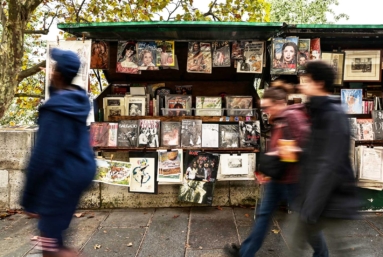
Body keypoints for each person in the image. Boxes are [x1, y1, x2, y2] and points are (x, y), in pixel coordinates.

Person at [21, 48, 96, 257]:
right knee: (54, 235)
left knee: (50, 245)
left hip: (61, 178)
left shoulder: (55, 110)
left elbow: (42, 157)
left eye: (54, 68)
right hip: (79, 170)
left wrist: (28, 199)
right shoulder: (77, 100)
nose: (50, 71)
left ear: (58, 74)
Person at [225, 83, 310, 257]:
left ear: (279, 103)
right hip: (278, 177)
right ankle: (245, 253)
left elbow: (304, 145)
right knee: (263, 215)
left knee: (306, 221)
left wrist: (284, 154)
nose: (265, 111)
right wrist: (268, 170)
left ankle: (322, 253)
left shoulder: (293, 117)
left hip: (293, 179)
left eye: (268, 106)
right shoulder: (280, 118)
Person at [291, 61, 360, 256]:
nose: (301, 85)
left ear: (319, 83)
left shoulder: (333, 115)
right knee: (300, 246)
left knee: (341, 249)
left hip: (329, 199)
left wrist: (310, 207)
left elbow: (329, 164)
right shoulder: (318, 111)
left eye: (306, 80)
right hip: (316, 198)